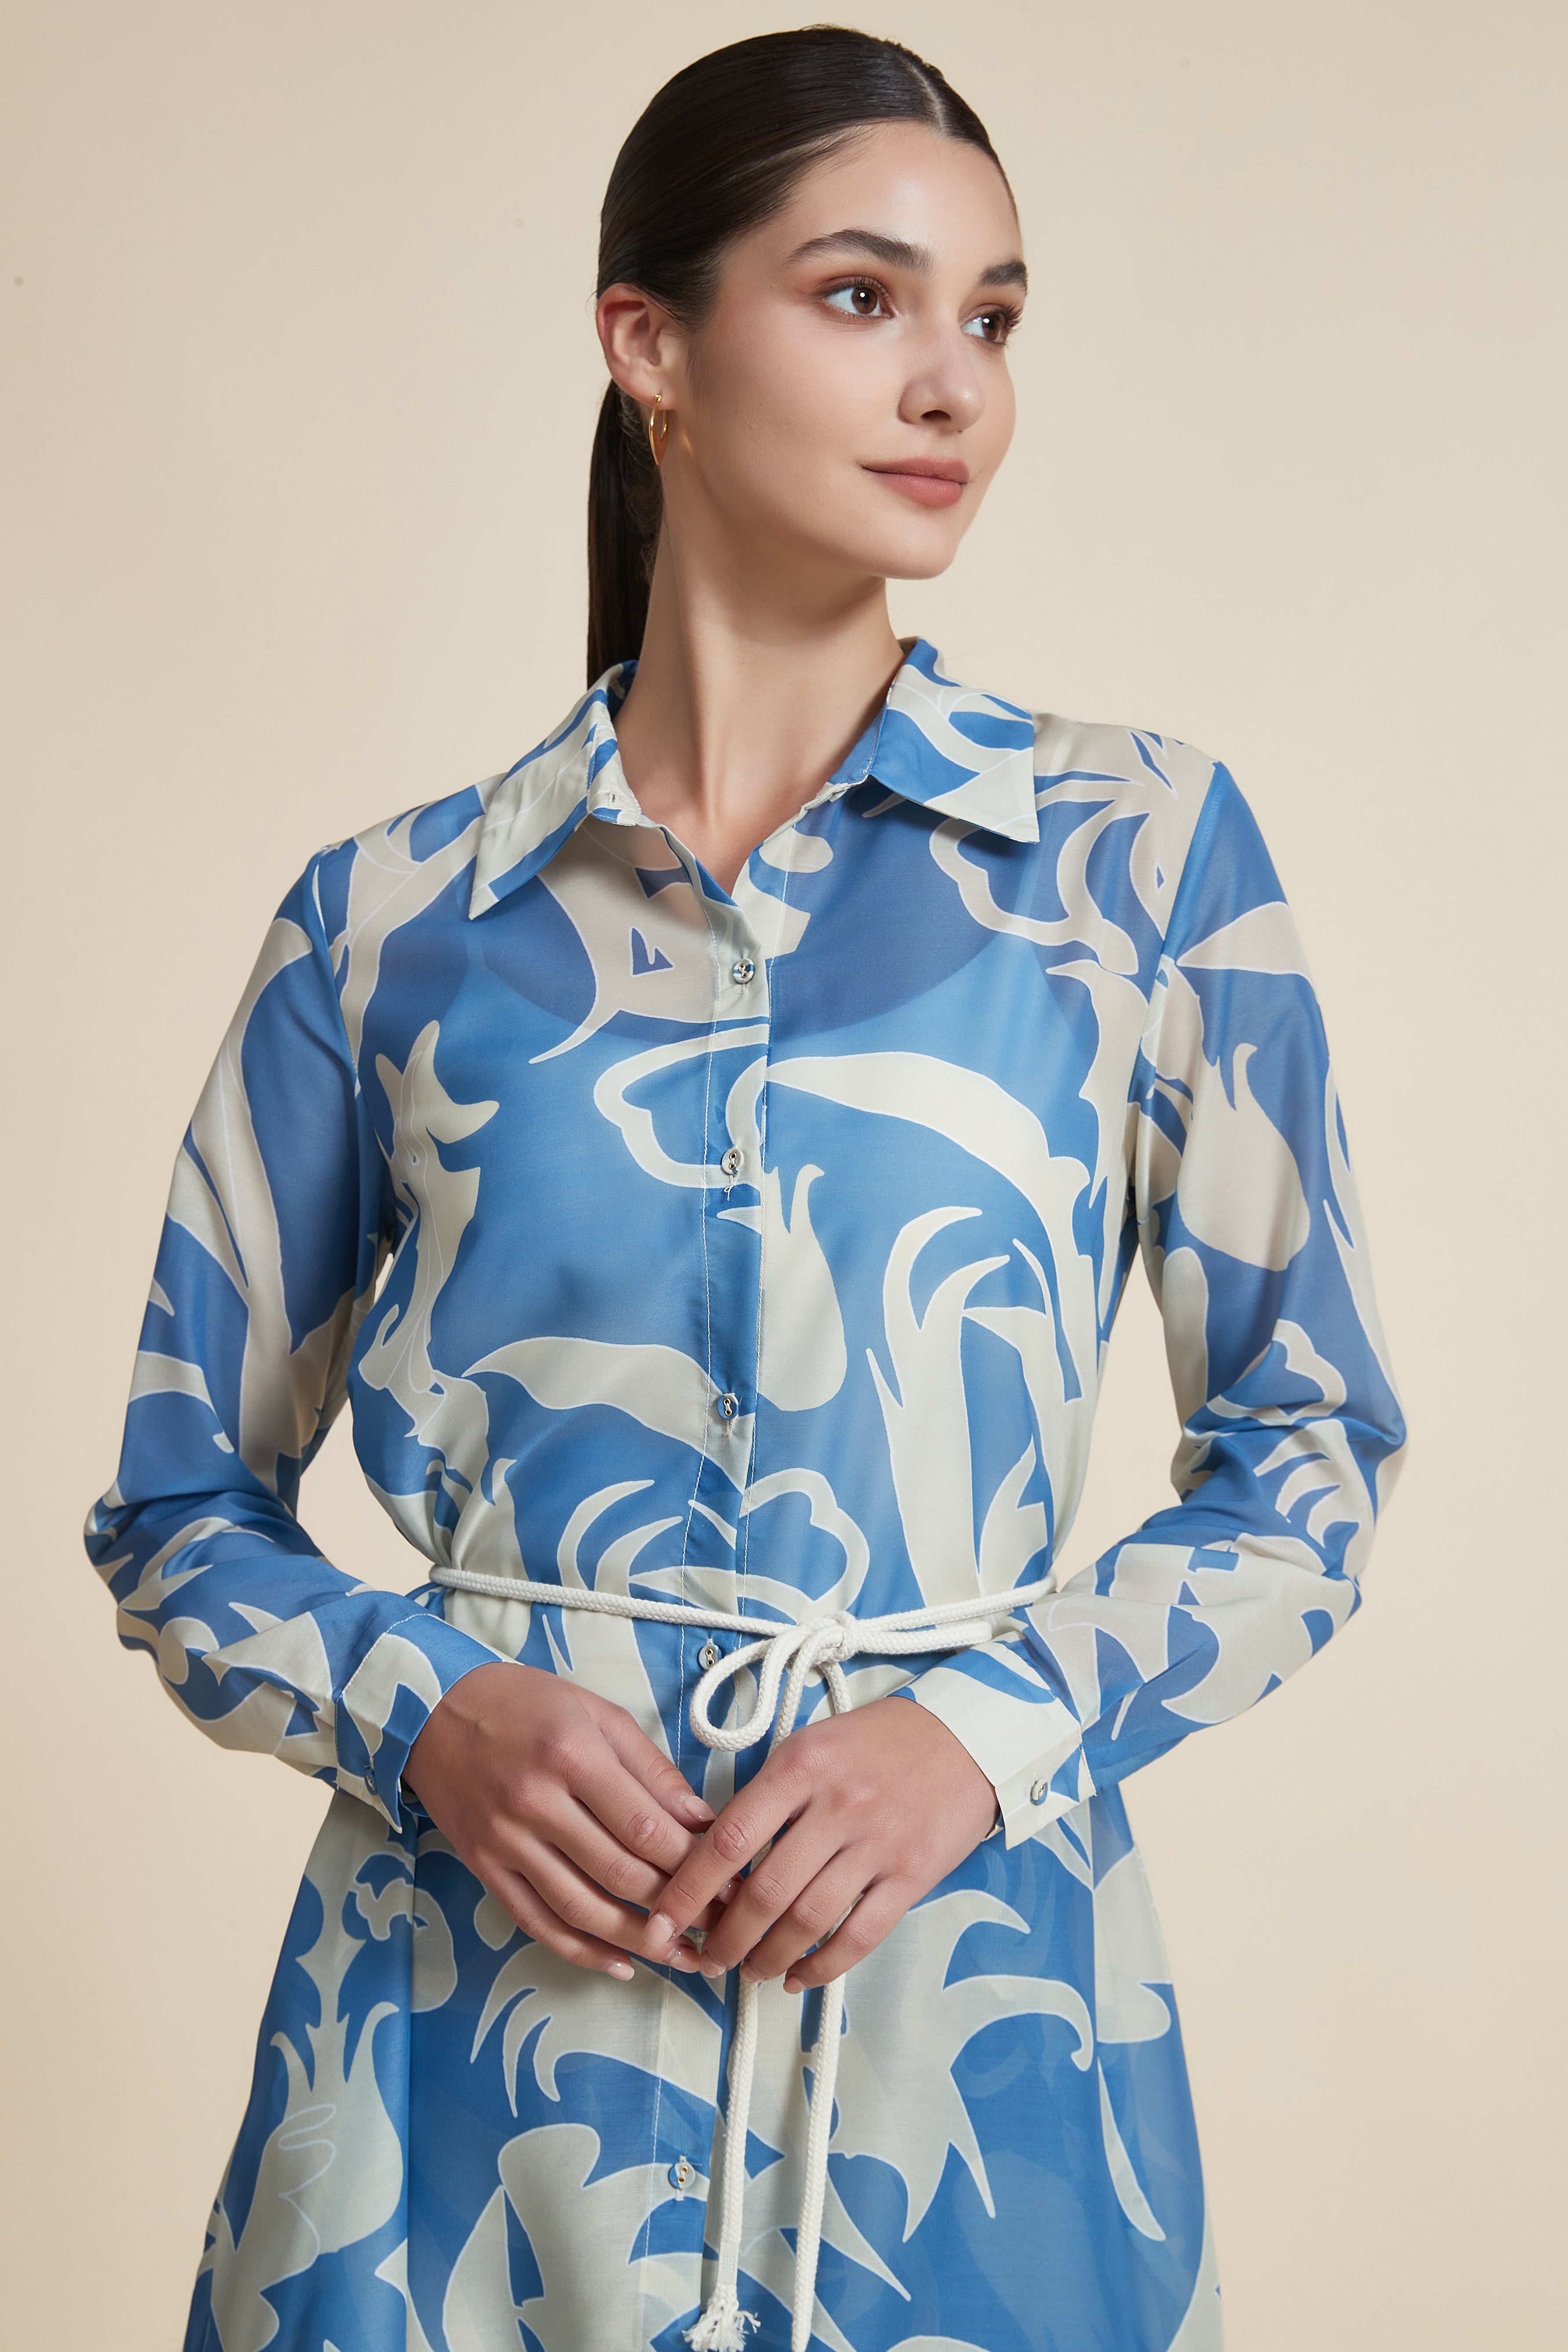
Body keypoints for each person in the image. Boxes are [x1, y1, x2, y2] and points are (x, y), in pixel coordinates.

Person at [86, 25, 1405, 2352]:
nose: (955, 385)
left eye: (994, 317)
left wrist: (980, 1734)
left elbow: (1311, 1455)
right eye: (863, 298)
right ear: (650, 346)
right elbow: (179, 1508)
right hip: (447, 2078)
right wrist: (425, 1710)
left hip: (968, 2051)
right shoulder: (388, 924)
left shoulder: (1140, 864)